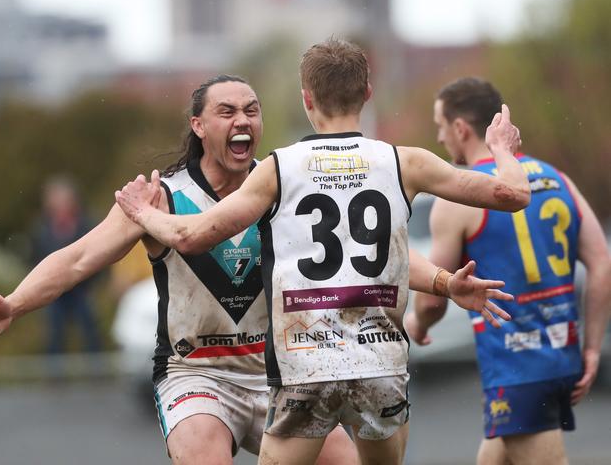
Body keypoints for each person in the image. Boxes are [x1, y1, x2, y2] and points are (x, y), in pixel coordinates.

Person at [0, 74, 504, 465]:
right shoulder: (161, 199)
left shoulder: (285, 183)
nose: (243, 120)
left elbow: (372, 256)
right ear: (198, 126)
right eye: (227, 112)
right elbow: (77, 257)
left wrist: (444, 283)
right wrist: (16, 303)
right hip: (197, 373)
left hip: (284, 375)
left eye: (251, 109)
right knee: (201, 448)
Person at [113, 38, 530, 465]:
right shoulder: (405, 162)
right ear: (368, 92)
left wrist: (145, 214)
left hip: (308, 367)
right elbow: (514, 194)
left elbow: (191, 236)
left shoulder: (281, 168)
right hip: (379, 363)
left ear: (306, 98)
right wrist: (500, 150)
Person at [405, 77, 611, 465]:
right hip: (561, 354)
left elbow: (433, 300)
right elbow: (601, 264)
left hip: (517, 368)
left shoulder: (459, 199)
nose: (440, 138)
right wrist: (592, 347)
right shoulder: (557, 179)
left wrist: (418, 324)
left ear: (461, 128)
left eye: (440, 126)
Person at [32, 176, 101, 354]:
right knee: (54, 333)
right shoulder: (42, 230)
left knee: (90, 328)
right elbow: (36, 259)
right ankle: (55, 376)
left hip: (81, 289)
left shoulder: (86, 225)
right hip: (54, 293)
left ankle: (97, 373)